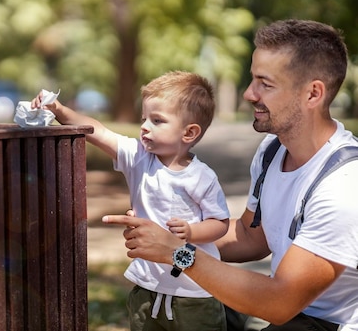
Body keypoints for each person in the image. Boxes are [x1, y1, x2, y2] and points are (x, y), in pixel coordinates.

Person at [103, 19, 358, 330]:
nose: (249, 94)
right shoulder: (272, 151)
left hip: (323, 322)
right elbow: (251, 237)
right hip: (289, 314)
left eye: (265, 83)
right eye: (253, 80)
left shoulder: (344, 186)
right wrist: (164, 233)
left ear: (312, 94)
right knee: (187, 301)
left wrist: (177, 252)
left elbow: (280, 302)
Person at [32, 71, 230, 331]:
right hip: (147, 287)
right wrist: (58, 108)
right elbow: (98, 131)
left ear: (189, 133)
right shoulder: (139, 157)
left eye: (157, 120)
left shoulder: (201, 177)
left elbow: (220, 222)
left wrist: (192, 231)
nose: (145, 126)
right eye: (144, 118)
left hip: (195, 292)